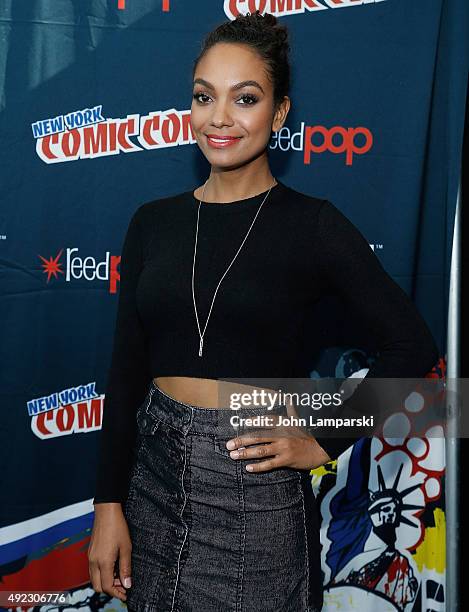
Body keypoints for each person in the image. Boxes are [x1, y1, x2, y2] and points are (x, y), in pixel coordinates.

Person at [88, 11, 438, 612]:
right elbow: (125, 374)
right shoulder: (153, 222)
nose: (219, 118)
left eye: (244, 98)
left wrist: (324, 440)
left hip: (254, 487)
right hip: (152, 479)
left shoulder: (314, 225)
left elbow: (413, 344)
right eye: (204, 97)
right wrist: (107, 506)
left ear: (279, 114)